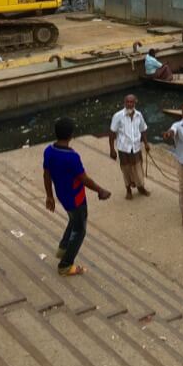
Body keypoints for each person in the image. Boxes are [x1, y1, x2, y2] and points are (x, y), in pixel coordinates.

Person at [44, 117, 111, 277]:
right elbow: (84, 179)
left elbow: (46, 174)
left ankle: (63, 248)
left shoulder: (49, 150)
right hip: (76, 198)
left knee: (73, 220)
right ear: (71, 135)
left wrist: (49, 196)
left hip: (61, 195)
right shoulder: (72, 157)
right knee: (80, 229)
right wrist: (100, 190)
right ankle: (66, 265)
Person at [108, 95, 150, 199]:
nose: (129, 104)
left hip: (136, 147)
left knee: (138, 168)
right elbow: (112, 133)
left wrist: (146, 143)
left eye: (131, 102)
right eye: (127, 102)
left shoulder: (139, 115)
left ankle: (141, 187)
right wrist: (112, 149)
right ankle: (128, 190)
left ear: (135, 102)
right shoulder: (118, 116)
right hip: (124, 148)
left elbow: (143, 129)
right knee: (126, 169)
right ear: (124, 102)